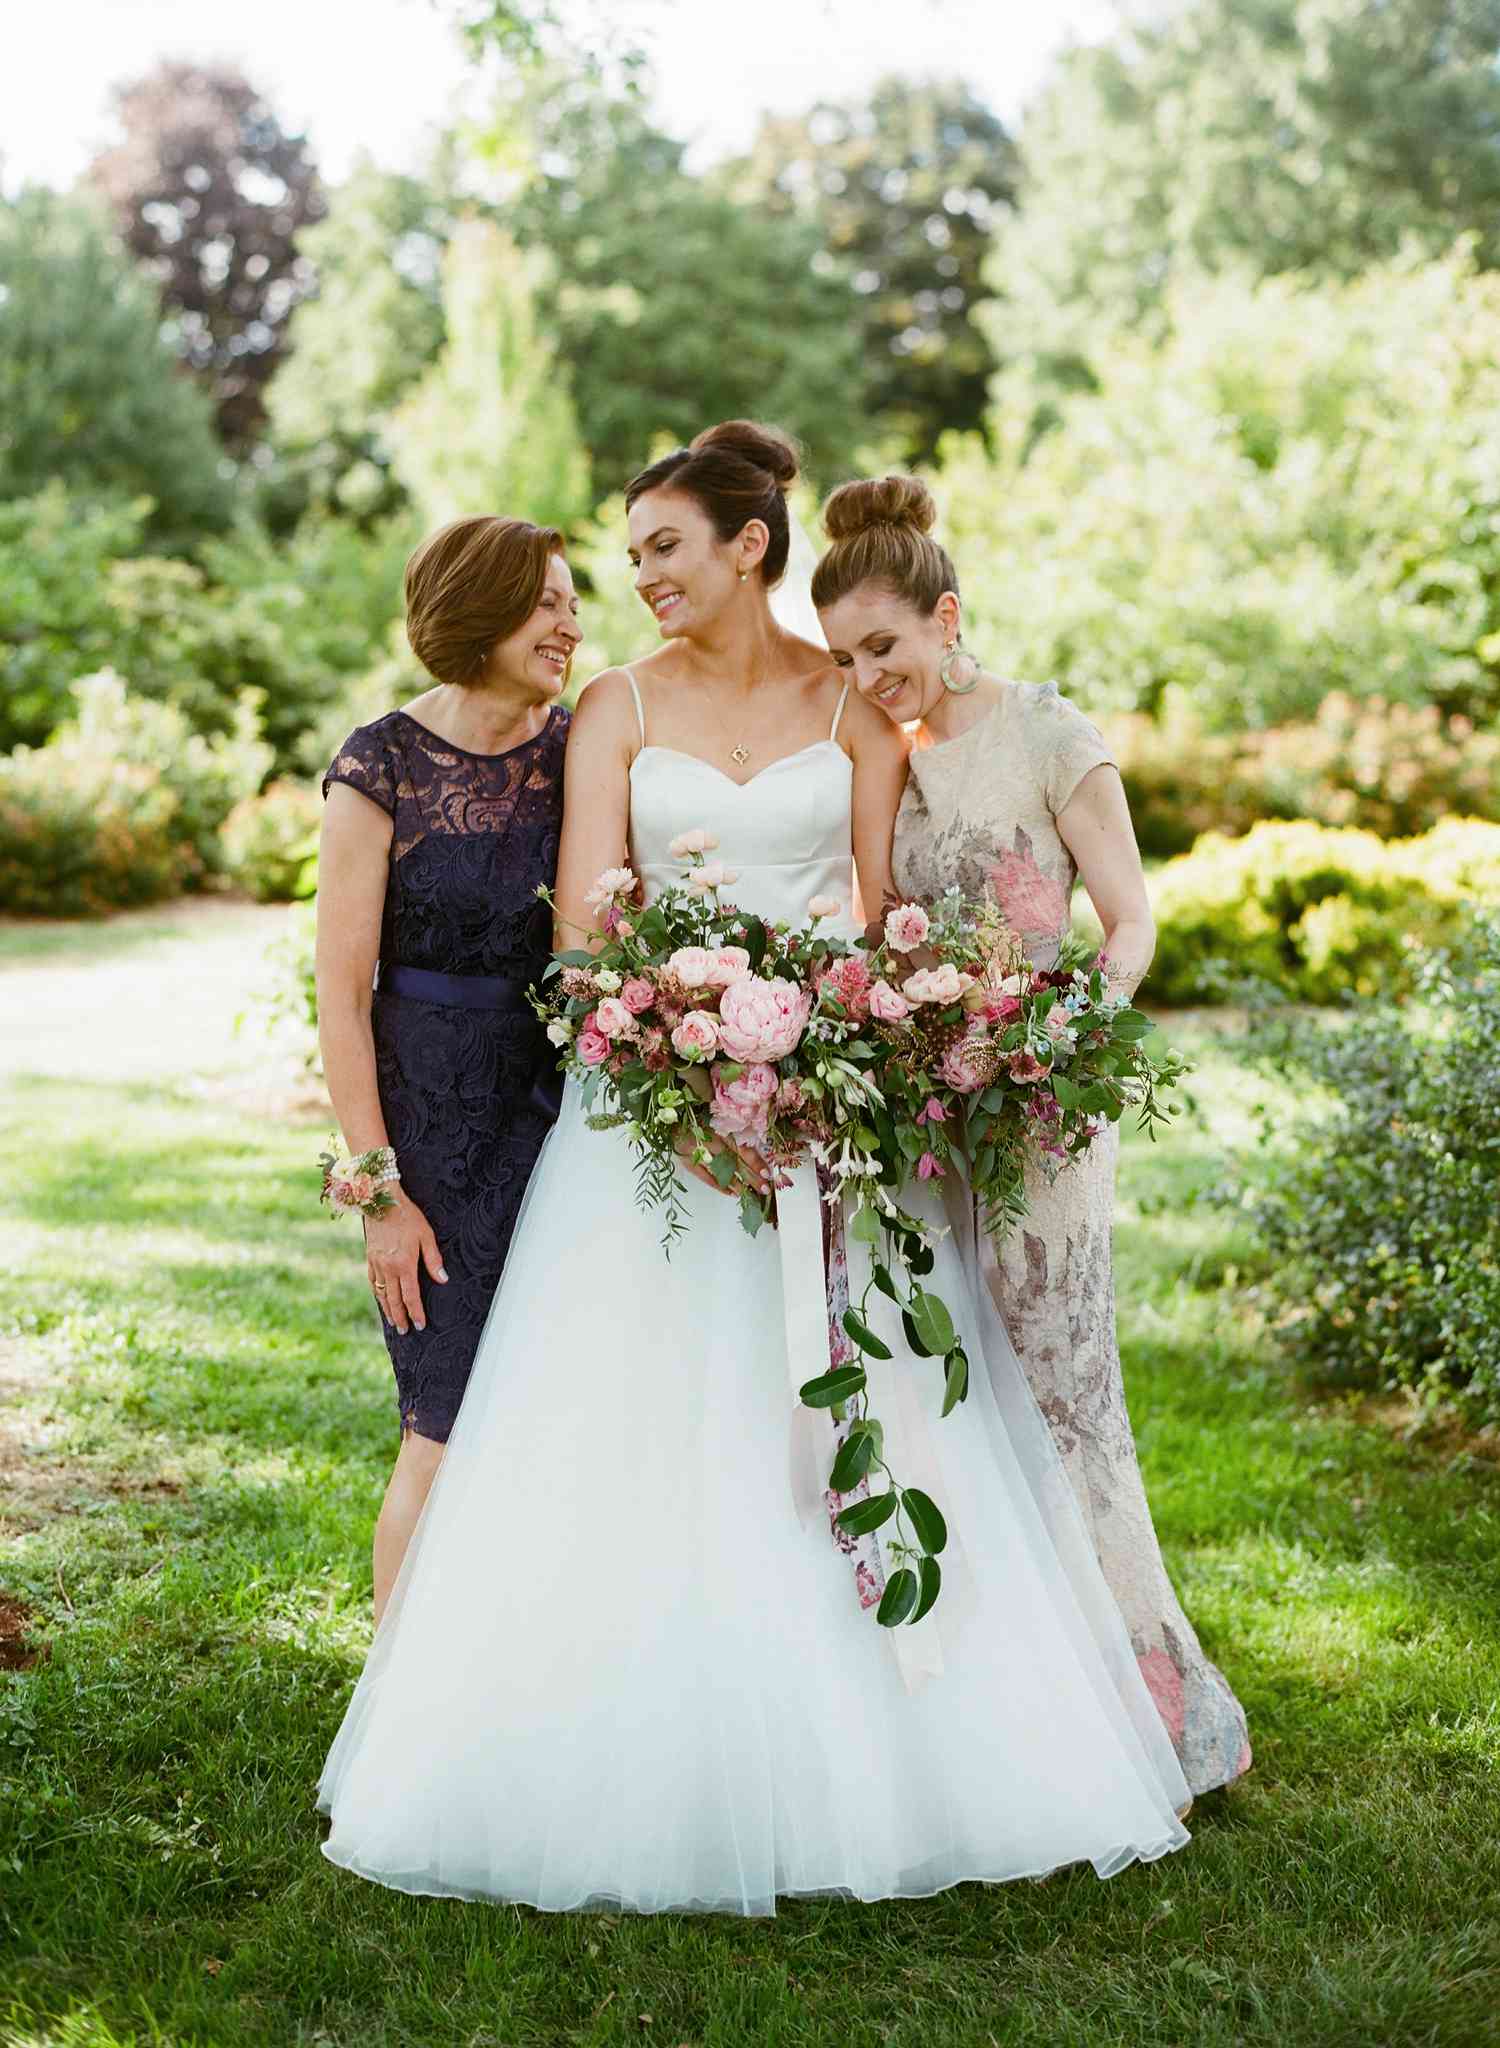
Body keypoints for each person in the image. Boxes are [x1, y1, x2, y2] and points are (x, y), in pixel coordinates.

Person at [316, 423, 1193, 1915]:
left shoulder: (851, 708)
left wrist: (806, 1059)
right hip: (644, 1125)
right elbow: (589, 935)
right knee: (633, 1441)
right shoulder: (613, 706)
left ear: (748, 547)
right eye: (634, 551)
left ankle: (919, 1735)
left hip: (824, 1115)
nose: (637, 576)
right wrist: (682, 1059)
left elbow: (866, 912)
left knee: (866, 1407)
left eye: (662, 546)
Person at [811, 473, 1251, 1797]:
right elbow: (874, 914)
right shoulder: (886, 759)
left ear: (949, 618)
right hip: (925, 1118)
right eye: (844, 658)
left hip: (1046, 1112)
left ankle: (1160, 1704)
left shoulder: (1051, 733)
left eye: (883, 646)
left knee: (1065, 1395)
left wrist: (1056, 1039)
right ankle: (1008, 1710)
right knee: (957, 1393)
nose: (868, 675)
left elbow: (1131, 925)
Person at [316, 516, 577, 1621]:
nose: (571, 623)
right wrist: (380, 1188)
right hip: (427, 1127)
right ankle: (394, 1728)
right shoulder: (379, 764)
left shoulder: (581, 750)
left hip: (561, 1110)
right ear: (481, 607)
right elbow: (340, 984)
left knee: (552, 1410)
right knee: (441, 1418)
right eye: (547, 601)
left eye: (574, 601)